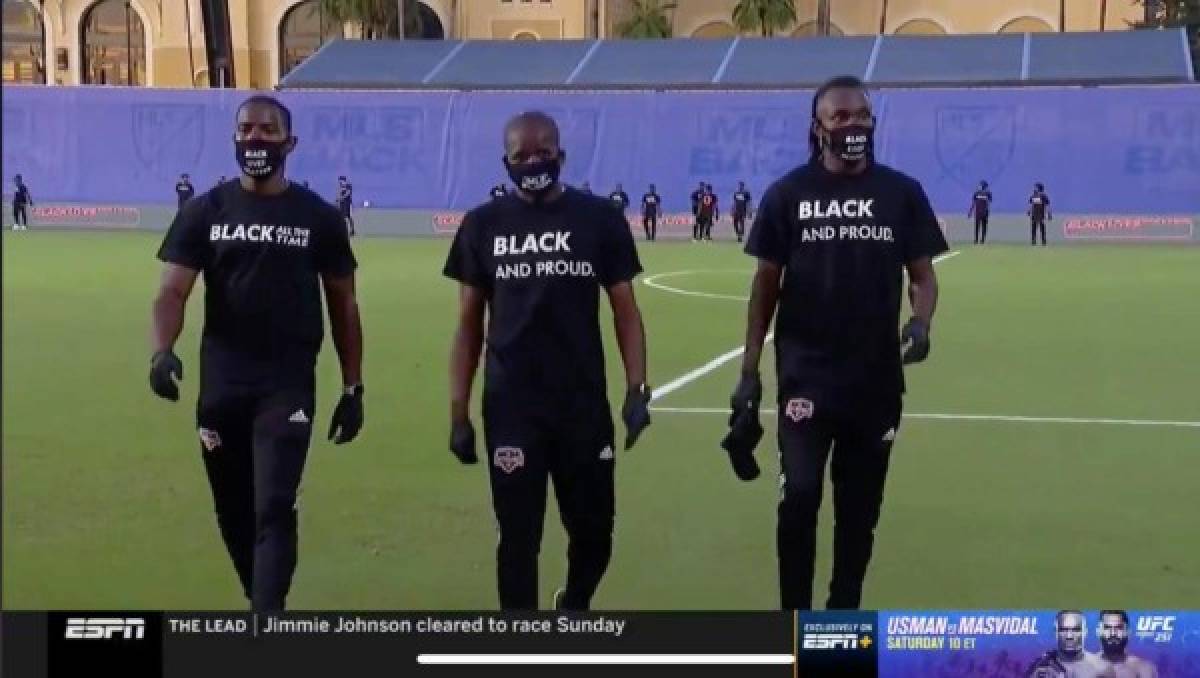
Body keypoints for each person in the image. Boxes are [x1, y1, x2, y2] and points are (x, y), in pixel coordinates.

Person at [725, 75, 949, 611]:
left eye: (863, 116)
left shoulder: (901, 193)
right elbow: (764, 289)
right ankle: (794, 620)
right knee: (799, 497)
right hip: (806, 377)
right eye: (841, 117)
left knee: (859, 511)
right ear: (818, 128)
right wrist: (750, 372)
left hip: (874, 382)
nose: (854, 126)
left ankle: (842, 612)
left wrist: (921, 322)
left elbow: (923, 275)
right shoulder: (789, 195)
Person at [148, 95, 364, 612]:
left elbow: (344, 304)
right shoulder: (206, 209)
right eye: (247, 128)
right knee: (234, 511)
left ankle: (267, 621)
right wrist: (163, 350)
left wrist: (353, 386)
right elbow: (172, 292)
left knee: (273, 504)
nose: (257, 139)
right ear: (234, 139)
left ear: (290, 142)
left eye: (269, 130)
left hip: (285, 383)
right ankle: (260, 602)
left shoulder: (318, 217)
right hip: (222, 384)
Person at [444, 111, 651, 611]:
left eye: (544, 152)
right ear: (505, 163)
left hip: (582, 404)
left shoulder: (598, 219)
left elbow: (625, 310)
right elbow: (469, 325)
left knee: (595, 534)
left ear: (561, 155)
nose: (534, 161)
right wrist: (458, 413)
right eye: (522, 155)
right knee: (518, 539)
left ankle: (574, 600)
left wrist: (637, 388)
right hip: (512, 406)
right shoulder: (482, 225)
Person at [1025, 611, 1107, 677]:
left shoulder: (1101, 668)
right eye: (1063, 630)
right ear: (1055, 632)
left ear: (1085, 631)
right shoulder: (1040, 668)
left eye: (1075, 630)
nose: (1069, 636)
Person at [1096, 611, 1159, 678]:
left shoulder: (1144, 669)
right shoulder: (1087, 668)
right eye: (1107, 628)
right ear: (1098, 631)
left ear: (1128, 632)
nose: (1113, 633)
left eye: (1119, 628)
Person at [968, 180, 992, 245]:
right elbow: (973, 203)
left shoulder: (988, 193)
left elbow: (989, 203)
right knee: (977, 226)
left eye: (980, 185)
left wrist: (988, 211)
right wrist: (970, 212)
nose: (979, 186)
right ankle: (976, 240)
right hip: (978, 212)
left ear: (983, 186)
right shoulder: (976, 193)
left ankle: (982, 240)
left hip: (984, 212)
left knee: (984, 226)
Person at [1028, 182, 1051, 246]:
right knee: (1034, 228)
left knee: (1042, 228)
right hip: (1034, 215)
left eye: (1035, 187)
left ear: (1039, 188)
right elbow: (1031, 204)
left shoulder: (1044, 196)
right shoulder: (1033, 196)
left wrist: (1049, 213)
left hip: (1041, 215)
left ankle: (1043, 241)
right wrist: (1029, 211)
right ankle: (1033, 241)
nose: (1034, 189)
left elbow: (1047, 205)